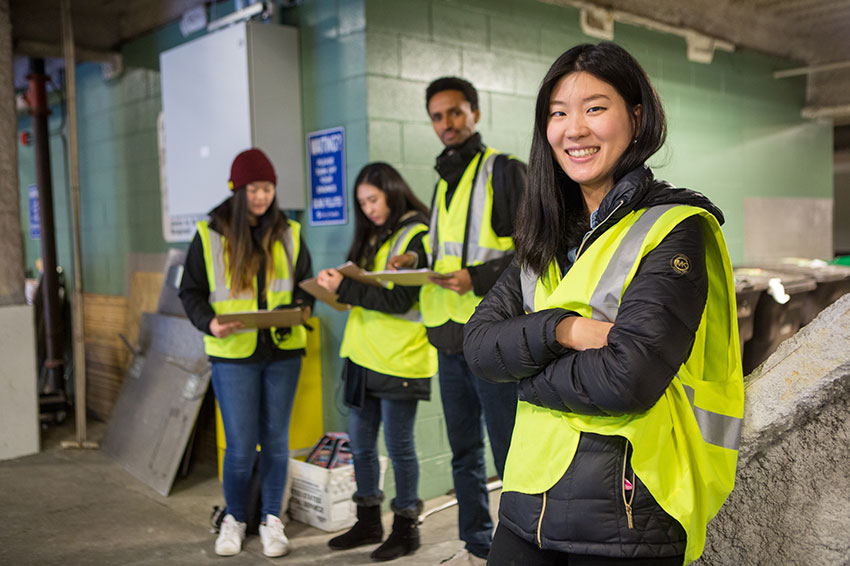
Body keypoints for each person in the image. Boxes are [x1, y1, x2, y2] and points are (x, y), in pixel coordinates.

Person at [463, 42, 745, 565]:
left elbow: (626, 380)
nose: (574, 129)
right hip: (528, 499)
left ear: (636, 118)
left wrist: (522, 373)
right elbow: (478, 348)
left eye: (595, 108)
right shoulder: (544, 239)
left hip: (629, 512)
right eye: (558, 113)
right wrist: (561, 332)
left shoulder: (673, 228)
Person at [389, 77, 526, 565]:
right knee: (463, 454)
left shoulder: (504, 171)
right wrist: (416, 255)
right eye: (437, 116)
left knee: (512, 455)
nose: (445, 124)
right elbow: (449, 245)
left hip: (492, 340)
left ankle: (519, 547)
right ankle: (476, 544)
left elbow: (535, 251)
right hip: (450, 341)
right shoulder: (444, 180)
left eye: (454, 113)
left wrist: (480, 276)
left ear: (475, 114)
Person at [179, 148, 314, 558]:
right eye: (254, 188)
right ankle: (234, 519)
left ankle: (271, 519)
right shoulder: (209, 234)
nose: (262, 196)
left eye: (268, 188)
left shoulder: (289, 231)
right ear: (238, 190)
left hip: (283, 351)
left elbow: (305, 285)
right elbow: (191, 292)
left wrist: (304, 308)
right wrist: (211, 322)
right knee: (240, 444)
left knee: (275, 441)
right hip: (233, 353)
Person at [316, 162, 437, 562]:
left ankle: (406, 529)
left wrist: (347, 287)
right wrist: (338, 286)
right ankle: (368, 521)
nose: (367, 208)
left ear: (391, 190)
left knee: (399, 448)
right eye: (361, 202)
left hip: (400, 359)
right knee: (362, 446)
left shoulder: (416, 232)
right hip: (363, 357)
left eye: (372, 198)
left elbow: (400, 299)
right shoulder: (376, 236)